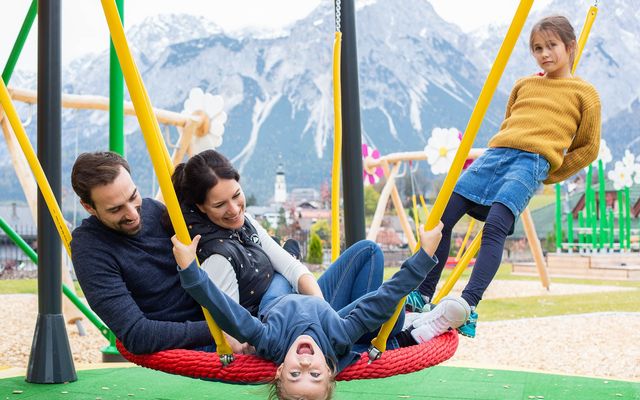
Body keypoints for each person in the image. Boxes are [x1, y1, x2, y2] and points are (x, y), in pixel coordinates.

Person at [411, 15, 601, 337]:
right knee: (441, 219)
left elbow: (588, 148)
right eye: (537, 48)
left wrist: (549, 173)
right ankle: (423, 294)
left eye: (552, 46)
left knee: (496, 226)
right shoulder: (524, 84)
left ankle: (468, 304)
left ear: (570, 47)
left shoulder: (585, 94)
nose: (544, 54)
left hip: (532, 162)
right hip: (496, 154)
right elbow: (510, 123)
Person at [172, 221, 469, 400]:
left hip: (275, 298)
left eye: (294, 374)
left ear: (278, 371)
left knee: (278, 277)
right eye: (314, 374)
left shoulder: (268, 340)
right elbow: (382, 299)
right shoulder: (338, 335)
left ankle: (291, 257)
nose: (304, 364)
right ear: (328, 370)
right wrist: (424, 256)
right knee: (372, 261)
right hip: (325, 309)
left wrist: (190, 271)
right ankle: (404, 328)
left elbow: (225, 311)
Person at [70, 152, 215, 354]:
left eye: (133, 197)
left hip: (219, 313)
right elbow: (137, 335)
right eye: (116, 209)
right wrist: (221, 331)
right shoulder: (90, 248)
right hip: (190, 343)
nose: (132, 214)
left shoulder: (154, 210)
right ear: (88, 207)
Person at [170, 150, 323, 317]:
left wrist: (323, 311)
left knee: (357, 254)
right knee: (281, 279)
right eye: (220, 205)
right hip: (279, 326)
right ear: (201, 207)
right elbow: (236, 329)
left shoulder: (245, 223)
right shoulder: (217, 257)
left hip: (292, 306)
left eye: (236, 195)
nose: (234, 210)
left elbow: (292, 268)